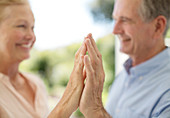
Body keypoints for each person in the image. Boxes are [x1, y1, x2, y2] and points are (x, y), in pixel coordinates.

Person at [76, 0, 170, 117]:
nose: (115, 30)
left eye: (125, 20)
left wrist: (96, 111)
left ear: (158, 26)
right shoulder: (123, 76)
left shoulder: (167, 91)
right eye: (115, 19)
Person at [0, 0, 87, 118]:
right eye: (21, 26)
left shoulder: (37, 84)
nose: (32, 36)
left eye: (32, 28)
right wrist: (67, 102)